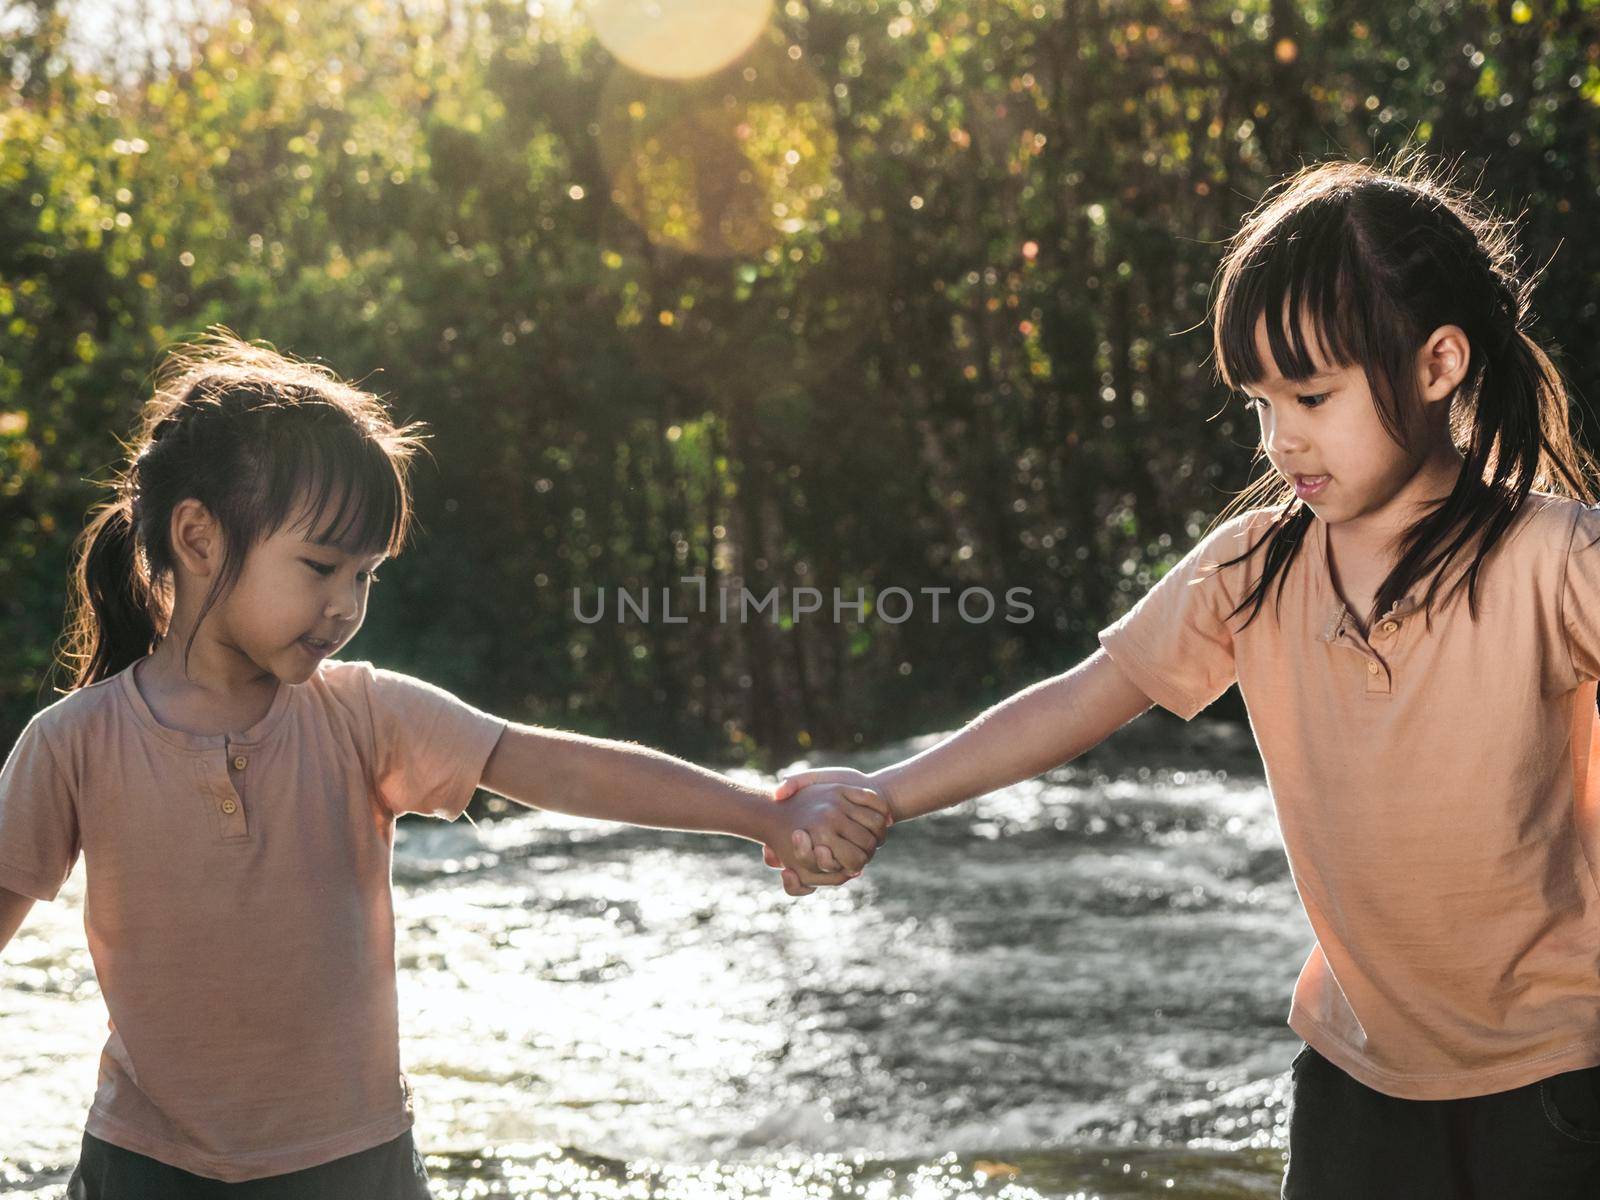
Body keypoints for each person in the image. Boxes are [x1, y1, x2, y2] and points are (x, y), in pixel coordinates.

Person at [766, 149, 1600, 1198]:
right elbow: (1079, 700)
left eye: (1311, 393)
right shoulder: (1253, 569)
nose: (1280, 438)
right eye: (1259, 402)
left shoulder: (1552, 560)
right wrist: (882, 794)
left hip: (1558, 1078)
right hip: (1358, 1073)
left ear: (1437, 365)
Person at [0, 331, 892, 1197]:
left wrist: (764, 816)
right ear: (198, 540)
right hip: (146, 1171)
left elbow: (560, 769)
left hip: (355, 1168)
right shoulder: (73, 743)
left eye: (365, 576)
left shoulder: (365, 714)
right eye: (320, 567)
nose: (346, 605)